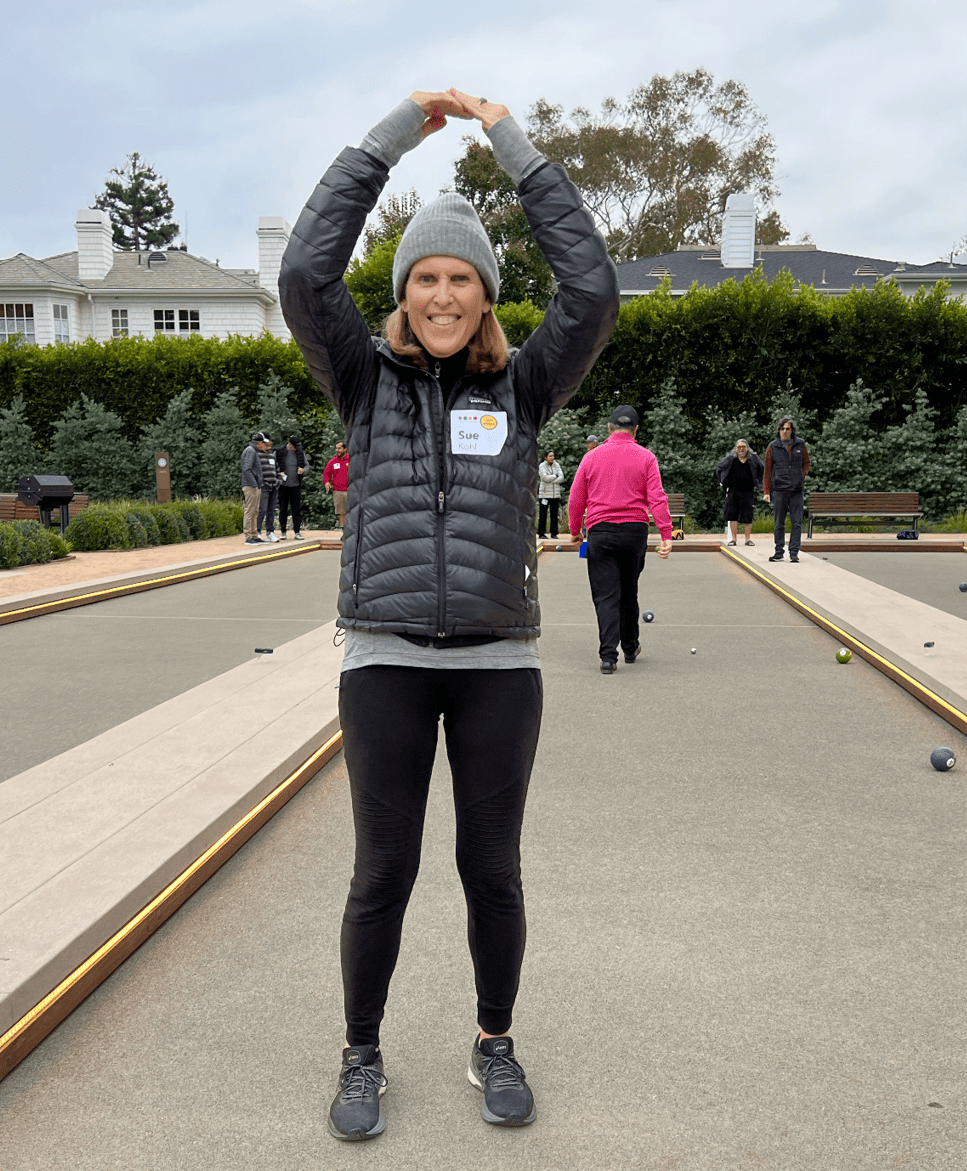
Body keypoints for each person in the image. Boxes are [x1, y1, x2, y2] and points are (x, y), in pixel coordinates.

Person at [279, 87, 618, 1141]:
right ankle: (361, 1052)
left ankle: (493, 1040)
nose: (439, 294)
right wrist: (392, 139)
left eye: (459, 278)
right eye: (423, 277)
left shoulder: (523, 388)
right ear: (401, 290)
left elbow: (593, 286)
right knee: (383, 867)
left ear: (483, 295)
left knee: (490, 866)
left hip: (496, 668)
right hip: (381, 657)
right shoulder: (358, 378)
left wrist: (508, 146)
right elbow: (302, 271)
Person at [566, 405, 672, 674]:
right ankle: (630, 647)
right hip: (634, 532)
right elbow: (657, 498)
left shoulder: (591, 457)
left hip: (600, 532)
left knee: (606, 596)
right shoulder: (647, 457)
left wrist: (575, 530)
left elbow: (576, 497)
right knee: (629, 590)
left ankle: (608, 657)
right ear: (636, 430)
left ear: (609, 428)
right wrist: (665, 534)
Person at [762, 416, 811, 562]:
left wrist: (800, 476)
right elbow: (768, 470)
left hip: (796, 490)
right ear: (779, 430)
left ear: (792, 430)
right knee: (779, 523)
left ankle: (794, 552)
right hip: (779, 490)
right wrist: (766, 491)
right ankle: (778, 552)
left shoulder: (800, 444)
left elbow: (807, 462)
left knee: (796, 523)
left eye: (787, 429)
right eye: (782, 429)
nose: (784, 431)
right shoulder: (772, 447)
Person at [715, 439, 763, 547]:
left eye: (743, 447)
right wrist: (722, 482)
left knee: (748, 515)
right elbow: (719, 468)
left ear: (747, 448)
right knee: (733, 515)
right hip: (733, 490)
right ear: (736, 449)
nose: (741, 449)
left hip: (748, 491)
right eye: (739, 447)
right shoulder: (730, 459)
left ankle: (748, 539)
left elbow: (762, 470)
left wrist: (759, 483)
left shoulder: (753, 459)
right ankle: (734, 539)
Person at [275, 435, 307, 540]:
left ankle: (297, 532)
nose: (296, 448)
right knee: (283, 509)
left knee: (296, 510)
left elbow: (307, 465)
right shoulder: (279, 451)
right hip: (283, 486)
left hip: (296, 485)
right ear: (289, 445)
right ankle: (283, 532)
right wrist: (279, 472)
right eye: (294, 446)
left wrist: (303, 470)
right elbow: (273, 465)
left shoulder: (299, 452)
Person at [241, 431, 270, 544]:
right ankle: (249, 537)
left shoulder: (253, 451)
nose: (265, 445)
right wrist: (254, 484)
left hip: (254, 486)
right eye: (264, 443)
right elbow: (247, 469)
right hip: (250, 486)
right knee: (250, 511)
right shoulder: (250, 451)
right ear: (259, 443)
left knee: (255, 511)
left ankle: (254, 535)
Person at [322, 441, 350, 529]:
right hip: (338, 491)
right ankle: (344, 531)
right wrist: (326, 482)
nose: (337, 450)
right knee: (341, 512)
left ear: (345, 449)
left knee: (352, 512)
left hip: (351, 490)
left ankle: (352, 531)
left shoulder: (351, 460)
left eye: (339, 448)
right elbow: (326, 473)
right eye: (336, 448)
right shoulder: (333, 461)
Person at [536, 449, 564, 539]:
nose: (552, 457)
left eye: (553, 456)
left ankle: (554, 533)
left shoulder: (557, 465)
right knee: (543, 515)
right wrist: (555, 476)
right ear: (545, 457)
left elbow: (561, 477)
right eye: (550, 456)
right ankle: (541, 533)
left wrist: (552, 480)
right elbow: (544, 478)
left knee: (554, 515)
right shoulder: (542, 466)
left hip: (555, 494)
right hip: (544, 495)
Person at [259, 434, 281, 541]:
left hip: (274, 485)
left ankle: (270, 532)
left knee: (271, 510)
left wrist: (278, 480)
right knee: (261, 510)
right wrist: (261, 482)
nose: (269, 443)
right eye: (267, 442)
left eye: (270, 442)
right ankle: (258, 532)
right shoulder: (257, 454)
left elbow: (276, 469)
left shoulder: (272, 454)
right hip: (264, 486)